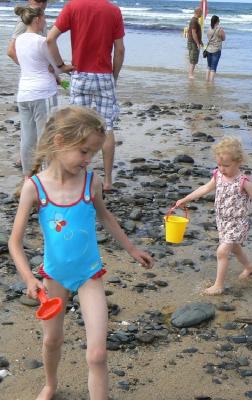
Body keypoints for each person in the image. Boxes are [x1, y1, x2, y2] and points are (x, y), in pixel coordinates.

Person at [8, 106, 154, 400]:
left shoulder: (91, 182)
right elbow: (14, 242)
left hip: (89, 274)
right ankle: (50, 384)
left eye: (93, 154)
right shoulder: (34, 188)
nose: (88, 160)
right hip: (54, 277)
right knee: (52, 340)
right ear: (60, 141)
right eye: (84, 152)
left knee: (98, 354)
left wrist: (132, 249)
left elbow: (106, 217)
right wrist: (28, 279)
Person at [175, 137, 252, 295]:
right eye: (219, 164)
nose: (222, 168)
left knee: (222, 252)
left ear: (239, 162)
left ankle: (218, 286)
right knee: (235, 248)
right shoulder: (218, 176)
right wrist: (185, 199)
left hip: (237, 223)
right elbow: (204, 189)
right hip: (222, 221)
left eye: (226, 165)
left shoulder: (243, 182)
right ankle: (249, 267)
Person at [47, 0, 125, 193]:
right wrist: (113, 77)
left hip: (80, 74)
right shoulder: (113, 10)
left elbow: (49, 39)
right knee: (106, 127)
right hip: (104, 75)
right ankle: (107, 181)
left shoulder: (73, 6)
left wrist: (60, 65)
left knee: (77, 126)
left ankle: (77, 176)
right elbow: (120, 50)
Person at [14, 5, 69, 178]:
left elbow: (35, 64)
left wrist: (54, 73)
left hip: (24, 93)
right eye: (44, 18)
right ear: (37, 19)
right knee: (46, 135)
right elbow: (56, 67)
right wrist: (69, 67)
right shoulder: (41, 41)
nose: (46, 21)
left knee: (27, 137)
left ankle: (27, 176)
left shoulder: (19, 40)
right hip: (43, 93)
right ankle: (46, 176)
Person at [7, 0, 48, 65]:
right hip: (35, 72)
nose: (41, 4)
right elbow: (11, 51)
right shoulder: (25, 20)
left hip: (44, 70)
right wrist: (28, 67)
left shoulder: (41, 19)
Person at [205, 15, 226, 83]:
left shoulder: (209, 28)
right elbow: (223, 38)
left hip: (208, 49)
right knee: (213, 68)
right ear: (217, 21)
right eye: (219, 20)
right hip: (216, 50)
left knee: (209, 66)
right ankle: (211, 83)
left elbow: (208, 37)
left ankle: (207, 81)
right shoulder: (220, 29)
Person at [187, 7, 203, 80]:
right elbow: (193, 33)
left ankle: (191, 74)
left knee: (193, 59)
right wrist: (197, 43)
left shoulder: (195, 20)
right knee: (193, 60)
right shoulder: (194, 21)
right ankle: (190, 75)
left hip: (193, 42)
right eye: (201, 12)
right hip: (193, 42)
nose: (202, 14)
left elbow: (196, 32)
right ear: (198, 12)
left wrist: (200, 42)